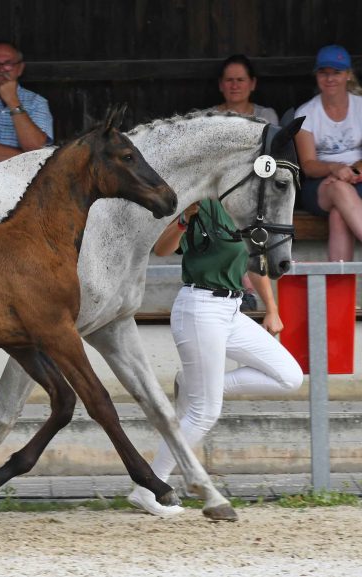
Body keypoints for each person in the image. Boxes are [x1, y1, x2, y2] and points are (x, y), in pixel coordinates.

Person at [127, 199, 304, 517]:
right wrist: (184, 218)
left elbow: (253, 260)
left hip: (232, 310)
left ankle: (192, 384)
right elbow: (163, 249)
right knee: (205, 412)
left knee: (289, 375)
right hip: (199, 307)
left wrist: (272, 309)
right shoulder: (203, 203)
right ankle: (148, 489)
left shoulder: (245, 204)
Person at [212, 54, 279, 310]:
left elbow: (274, 157)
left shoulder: (266, 116)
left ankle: (248, 288)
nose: (234, 85)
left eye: (240, 79)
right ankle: (244, 289)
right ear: (220, 84)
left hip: (260, 185)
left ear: (252, 83)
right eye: (229, 80)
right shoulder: (209, 118)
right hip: (221, 189)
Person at [294, 44, 362, 262]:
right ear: (317, 75)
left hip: (358, 178)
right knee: (340, 189)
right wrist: (334, 169)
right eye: (324, 73)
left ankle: (338, 293)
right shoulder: (306, 113)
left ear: (348, 75)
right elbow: (308, 165)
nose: (330, 78)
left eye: (337, 73)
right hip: (320, 185)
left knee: (339, 215)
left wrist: (351, 170)